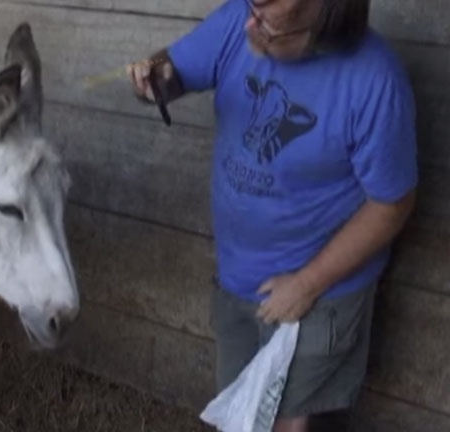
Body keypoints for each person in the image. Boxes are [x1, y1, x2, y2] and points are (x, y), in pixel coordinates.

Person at [126, 0, 417, 431]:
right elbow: (173, 70)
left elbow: (392, 205)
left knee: (280, 424)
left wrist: (308, 284)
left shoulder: (374, 81)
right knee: (239, 415)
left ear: (322, 19)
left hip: (318, 294)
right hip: (238, 279)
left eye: (266, 24)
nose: (249, 25)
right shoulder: (241, 19)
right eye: (251, 9)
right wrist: (156, 79)